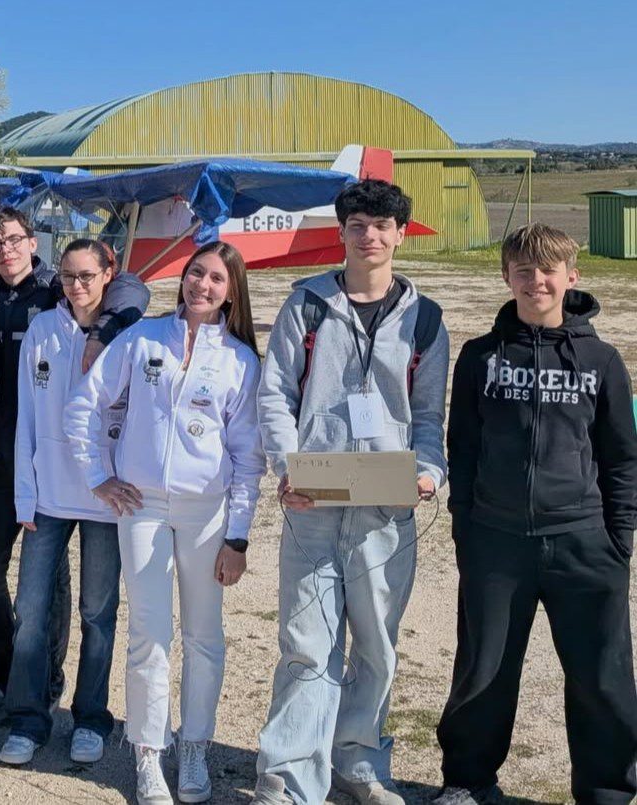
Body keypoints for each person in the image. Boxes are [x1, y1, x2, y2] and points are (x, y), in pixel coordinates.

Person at [252, 179, 448, 805]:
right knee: (308, 646)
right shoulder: (305, 307)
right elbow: (275, 394)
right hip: (312, 506)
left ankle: (358, 763)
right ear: (341, 232)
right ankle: (287, 782)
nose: (370, 235)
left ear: (399, 234)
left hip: (385, 510)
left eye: (382, 225)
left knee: (377, 647)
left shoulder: (426, 320)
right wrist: (290, 467)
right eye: (358, 224)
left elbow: (427, 417)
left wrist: (429, 472)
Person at [0, 206, 150, 701]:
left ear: (33, 242)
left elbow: (132, 287)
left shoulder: (58, 290)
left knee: (54, 583)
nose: (6, 250)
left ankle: (49, 677)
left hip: (58, 460)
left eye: (15, 240)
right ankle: (6, 667)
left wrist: (104, 331)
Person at [434, 223, 637, 805]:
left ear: (571, 277)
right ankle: (469, 783)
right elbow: (463, 448)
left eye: (548, 269)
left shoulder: (601, 360)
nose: (536, 280)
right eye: (523, 269)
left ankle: (607, 791)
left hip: (584, 541)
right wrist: (467, 527)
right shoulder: (479, 357)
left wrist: (618, 536)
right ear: (506, 277)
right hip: (496, 541)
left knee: (601, 677)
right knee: (484, 670)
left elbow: (622, 455)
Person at [64, 241, 266, 805]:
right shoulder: (142, 340)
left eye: (217, 280)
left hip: (208, 514)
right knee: (149, 633)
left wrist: (238, 536)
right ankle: (149, 753)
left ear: (231, 291)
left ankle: (195, 746)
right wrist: (99, 475)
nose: (202, 285)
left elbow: (250, 458)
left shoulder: (240, 361)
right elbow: (85, 404)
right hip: (142, 508)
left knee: (204, 636)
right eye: (195, 273)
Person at [0, 239, 125, 767]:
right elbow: (27, 416)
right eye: (69, 276)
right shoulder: (43, 331)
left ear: (108, 273)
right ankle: (29, 718)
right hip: (48, 495)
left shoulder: (127, 332)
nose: (77, 285)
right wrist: (24, 495)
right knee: (31, 609)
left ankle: (90, 717)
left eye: (88, 275)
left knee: (98, 612)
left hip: (106, 498)